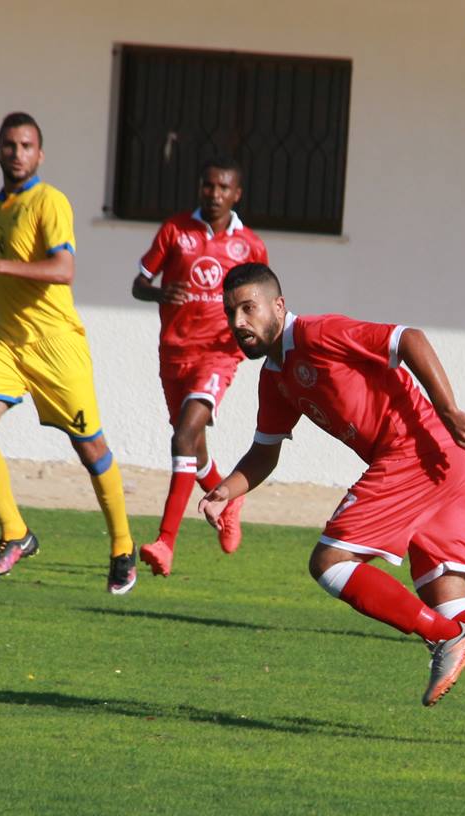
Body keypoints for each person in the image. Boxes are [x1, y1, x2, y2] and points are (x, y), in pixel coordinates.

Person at [201, 263, 465, 739]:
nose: (239, 322)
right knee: (447, 598)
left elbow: (408, 338)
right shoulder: (275, 377)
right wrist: (226, 490)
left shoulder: (316, 334)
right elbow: (264, 453)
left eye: (248, 308)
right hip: (446, 460)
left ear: (279, 306)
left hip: (414, 452)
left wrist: (449, 409)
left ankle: (446, 639)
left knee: (329, 561)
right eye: (231, 313)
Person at [0, 112, 136, 594]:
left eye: (26, 146)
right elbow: (18, 263)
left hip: (56, 346)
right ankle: (15, 533)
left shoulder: (50, 201)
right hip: (10, 342)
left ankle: (123, 547)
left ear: (40, 154)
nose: (17, 153)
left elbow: (62, 269)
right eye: (10, 145)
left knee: (90, 448)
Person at [131, 157, 269, 577]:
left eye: (224, 188)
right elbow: (138, 284)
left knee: (183, 435)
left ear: (236, 194)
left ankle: (165, 542)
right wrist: (158, 294)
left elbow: (263, 302)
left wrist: (260, 341)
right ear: (200, 187)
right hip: (174, 353)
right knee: (194, 449)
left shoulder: (249, 245)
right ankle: (229, 499)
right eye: (209, 186)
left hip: (217, 354)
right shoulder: (175, 230)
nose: (215, 194)